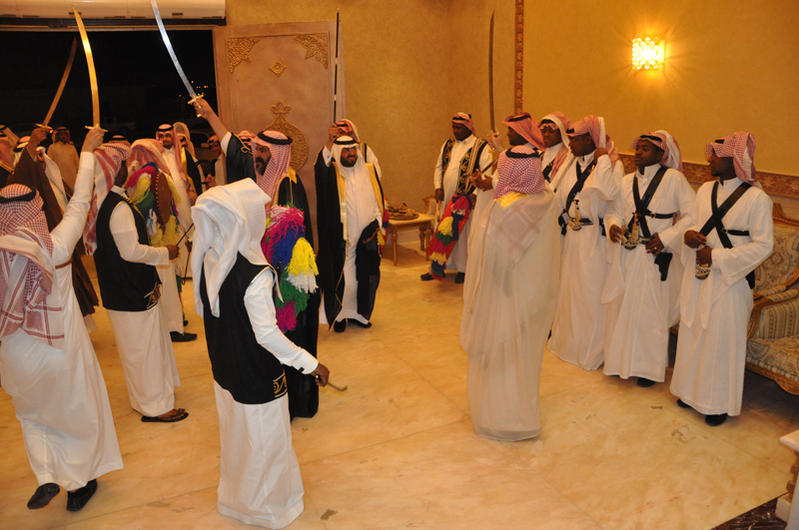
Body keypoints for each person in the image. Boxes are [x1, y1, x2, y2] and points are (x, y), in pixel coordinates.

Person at [191, 179, 330, 528]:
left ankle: (239, 501)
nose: (264, 218)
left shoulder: (210, 258)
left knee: (239, 439)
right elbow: (267, 336)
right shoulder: (255, 275)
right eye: (260, 213)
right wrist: (310, 363)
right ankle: (270, 510)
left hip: (225, 369)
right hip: (257, 374)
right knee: (267, 443)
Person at [0, 128, 122, 512]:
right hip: (61, 348)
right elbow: (80, 200)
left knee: (32, 416)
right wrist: (87, 152)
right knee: (76, 413)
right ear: (37, 211)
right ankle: (78, 484)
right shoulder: (57, 244)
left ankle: (46, 475)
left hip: (16, 357)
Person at [670, 131, 773, 426]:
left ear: (733, 160)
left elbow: (764, 245)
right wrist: (688, 236)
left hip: (730, 282)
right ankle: (689, 392)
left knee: (720, 341)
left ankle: (716, 404)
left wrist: (717, 257)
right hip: (699, 276)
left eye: (715, 156)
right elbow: (692, 224)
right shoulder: (705, 190)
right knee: (693, 331)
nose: (709, 160)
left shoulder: (757, 199)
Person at [462, 144, 560, 441]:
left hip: (503, 294)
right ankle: (523, 416)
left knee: (500, 353)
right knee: (525, 357)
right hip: (535, 294)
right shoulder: (548, 199)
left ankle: (499, 418)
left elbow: (489, 255)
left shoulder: (503, 207)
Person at [92, 138, 189, 422]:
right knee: (142, 352)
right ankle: (154, 407)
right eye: (123, 164)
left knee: (141, 349)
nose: (129, 167)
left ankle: (151, 398)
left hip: (127, 291)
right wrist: (164, 252)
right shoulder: (117, 207)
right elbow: (131, 252)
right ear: (114, 169)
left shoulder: (109, 201)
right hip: (129, 291)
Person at [603, 131, 695, 387]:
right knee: (622, 307)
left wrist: (666, 237)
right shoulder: (626, 181)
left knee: (651, 312)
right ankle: (619, 362)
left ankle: (648, 369)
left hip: (655, 255)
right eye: (638, 147)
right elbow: (613, 211)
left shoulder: (674, 179)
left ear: (660, 154)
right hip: (627, 254)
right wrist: (613, 225)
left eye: (645, 148)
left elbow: (692, 215)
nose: (638, 152)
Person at [548, 115, 623, 370]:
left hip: (595, 240)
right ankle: (569, 344)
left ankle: (592, 351)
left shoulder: (613, 165)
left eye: (576, 140)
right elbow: (559, 196)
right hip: (572, 236)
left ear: (592, 140)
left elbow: (609, 193)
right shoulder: (572, 163)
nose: (570, 144)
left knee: (589, 295)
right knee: (570, 292)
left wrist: (602, 160)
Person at [7, 126, 99, 321]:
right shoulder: (17, 183)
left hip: (63, 244)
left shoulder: (50, 177)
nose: (39, 159)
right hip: (42, 254)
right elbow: (25, 172)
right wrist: (32, 144)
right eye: (34, 155)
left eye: (41, 154)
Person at [315, 134, 386, 333]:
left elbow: (379, 200)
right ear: (338, 152)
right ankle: (340, 315)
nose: (351, 153)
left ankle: (360, 315)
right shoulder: (332, 174)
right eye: (345, 150)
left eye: (353, 149)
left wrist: (377, 224)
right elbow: (320, 169)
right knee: (344, 280)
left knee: (366, 278)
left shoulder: (368, 170)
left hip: (366, 238)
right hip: (342, 240)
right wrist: (328, 144)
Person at [423, 112, 493, 283]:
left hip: (466, 199)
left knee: (462, 233)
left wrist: (474, 195)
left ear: (469, 127)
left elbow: (487, 172)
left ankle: (463, 268)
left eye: (459, 128)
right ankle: (438, 267)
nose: (455, 131)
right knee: (443, 230)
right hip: (446, 197)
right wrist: (438, 186)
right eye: (454, 127)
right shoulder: (448, 144)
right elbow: (439, 167)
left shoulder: (481, 146)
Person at [538, 112, 571, 186]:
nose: (546, 134)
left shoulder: (568, 156)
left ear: (561, 133)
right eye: (544, 131)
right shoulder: (540, 155)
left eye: (551, 131)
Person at [47, 126, 80, 194]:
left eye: (65, 134)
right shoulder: (52, 148)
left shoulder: (72, 147)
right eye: (61, 134)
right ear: (58, 136)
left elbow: (78, 164)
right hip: (60, 179)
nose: (64, 136)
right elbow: (49, 165)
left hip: (73, 179)